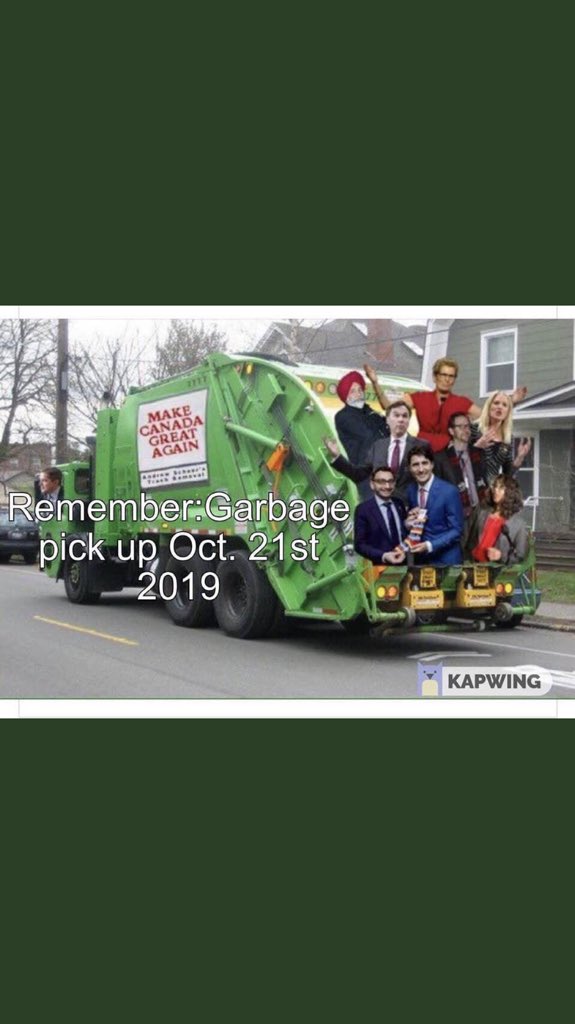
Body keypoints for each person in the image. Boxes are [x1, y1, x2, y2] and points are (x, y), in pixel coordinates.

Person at [366, 358, 527, 453]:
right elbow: (388, 407)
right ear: (435, 377)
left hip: (449, 458)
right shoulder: (419, 397)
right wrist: (375, 382)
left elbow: (486, 416)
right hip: (422, 455)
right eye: (443, 374)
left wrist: (511, 400)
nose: (447, 379)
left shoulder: (462, 402)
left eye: (451, 376)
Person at [325, 401, 445, 503]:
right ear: (387, 420)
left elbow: (433, 482)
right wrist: (337, 456)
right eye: (396, 415)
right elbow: (359, 475)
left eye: (405, 416)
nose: (401, 420)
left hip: (411, 509)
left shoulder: (422, 446)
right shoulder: (378, 447)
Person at [435, 412, 489, 558]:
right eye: (461, 427)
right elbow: (438, 491)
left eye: (468, 426)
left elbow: (485, 480)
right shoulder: (440, 458)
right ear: (451, 431)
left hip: (480, 510)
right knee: (459, 555)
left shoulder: (478, 453)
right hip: (457, 515)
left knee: (480, 554)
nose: (466, 430)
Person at [404, 446, 464, 565]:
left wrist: (429, 545)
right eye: (415, 465)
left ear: (432, 465)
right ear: (409, 468)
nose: (421, 469)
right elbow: (415, 522)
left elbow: (457, 530)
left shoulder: (449, 491)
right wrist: (407, 523)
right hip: (421, 560)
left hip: (447, 560)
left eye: (424, 463)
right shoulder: (410, 490)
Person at [334, 370, 389, 472]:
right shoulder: (343, 416)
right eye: (353, 391)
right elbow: (368, 434)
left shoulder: (368, 410)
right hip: (365, 470)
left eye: (360, 390)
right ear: (346, 396)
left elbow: (388, 428)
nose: (358, 394)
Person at [473, 391, 532, 483]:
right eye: (496, 403)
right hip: (473, 486)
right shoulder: (475, 428)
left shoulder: (507, 438)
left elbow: (508, 474)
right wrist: (477, 446)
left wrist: (519, 457)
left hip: (493, 488)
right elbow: (461, 460)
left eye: (504, 405)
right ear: (489, 406)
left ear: (508, 412)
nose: (499, 407)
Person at [353, 466, 407, 565]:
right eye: (381, 482)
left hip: (404, 563)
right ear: (372, 484)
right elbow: (360, 545)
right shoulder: (363, 510)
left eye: (390, 481)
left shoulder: (399, 504)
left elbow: (403, 532)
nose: (387, 486)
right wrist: (384, 556)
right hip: (380, 567)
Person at [472, 476, 529, 565]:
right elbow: (467, 540)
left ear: (510, 492)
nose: (495, 490)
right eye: (495, 486)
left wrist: (501, 556)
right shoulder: (481, 512)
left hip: (495, 570)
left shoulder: (519, 524)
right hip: (471, 566)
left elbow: (520, 556)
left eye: (501, 487)